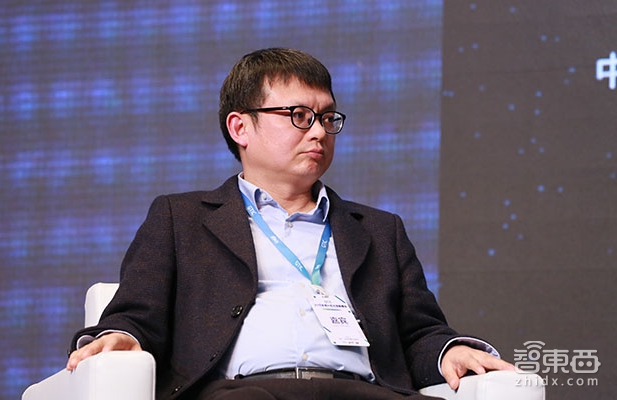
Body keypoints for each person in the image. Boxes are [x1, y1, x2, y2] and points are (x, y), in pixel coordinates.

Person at [66, 48, 514, 400]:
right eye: (299, 116)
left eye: (327, 118)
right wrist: (121, 335)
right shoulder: (180, 219)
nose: (318, 132)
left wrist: (449, 350)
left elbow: (419, 333)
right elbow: (137, 314)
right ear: (240, 128)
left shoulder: (380, 231)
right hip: (243, 393)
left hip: (363, 391)